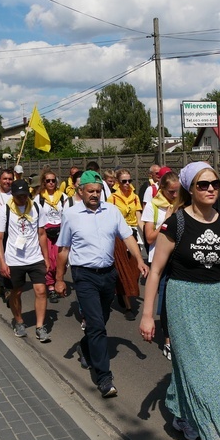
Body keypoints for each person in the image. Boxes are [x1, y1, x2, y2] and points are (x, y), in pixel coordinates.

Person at [139, 162, 220, 440]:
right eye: (203, 185)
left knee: (208, 364)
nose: (210, 189)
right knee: (206, 377)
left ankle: (180, 414)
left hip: (216, 299)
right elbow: (156, 272)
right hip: (183, 299)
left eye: (214, 183)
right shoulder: (175, 223)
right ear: (191, 188)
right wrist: (148, 315)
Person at [55, 171, 148, 398]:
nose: (95, 195)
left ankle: (86, 346)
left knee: (103, 317)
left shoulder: (112, 211)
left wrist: (139, 259)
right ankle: (104, 378)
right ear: (81, 192)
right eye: (91, 191)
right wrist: (58, 279)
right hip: (84, 275)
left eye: (98, 191)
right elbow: (64, 249)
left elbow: (127, 237)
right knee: (97, 325)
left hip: (108, 275)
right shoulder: (71, 214)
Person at [0, 179, 51, 343]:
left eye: (25, 195)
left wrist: (46, 258)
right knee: (15, 292)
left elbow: (42, 234)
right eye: (18, 196)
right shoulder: (5, 210)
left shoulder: (37, 208)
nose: (22, 199)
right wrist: (2, 262)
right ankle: (19, 321)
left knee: (40, 291)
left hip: (35, 257)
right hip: (14, 259)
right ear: (13, 195)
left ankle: (40, 327)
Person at [140, 169, 179, 359]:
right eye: (171, 192)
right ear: (162, 189)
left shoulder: (182, 204)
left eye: (177, 191)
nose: (175, 195)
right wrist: (167, 220)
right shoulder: (153, 206)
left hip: (178, 258)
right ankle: (168, 341)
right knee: (164, 302)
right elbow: (149, 237)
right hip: (160, 259)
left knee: (178, 302)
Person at [108, 168, 143, 321]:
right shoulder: (113, 198)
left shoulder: (135, 197)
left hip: (133, 235)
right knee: (124, 270)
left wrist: (148, 235)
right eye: (124, 181)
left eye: (129, 181)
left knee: (135, 270)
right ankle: (128, 306)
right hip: (119, 236)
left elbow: (139, 218)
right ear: (118, 182)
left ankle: (124, 292)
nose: (127, 184)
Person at [33, 169, 68, 303]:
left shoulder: (63, 197)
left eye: (53, 180)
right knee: (48, 260)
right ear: (44, 182)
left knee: (60, 260)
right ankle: (51, 287)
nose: (51, 183)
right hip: (46, 233)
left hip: (60, 232)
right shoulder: (39, 198)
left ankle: (59, 280)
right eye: (48, 181)